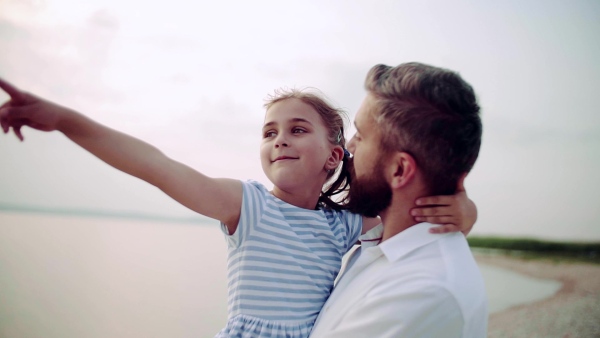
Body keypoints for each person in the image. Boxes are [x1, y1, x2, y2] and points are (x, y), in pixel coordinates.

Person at [0, 78, 477, 338]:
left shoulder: (343, 226)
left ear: (335, 156)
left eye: (297, 129)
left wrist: (464, 209)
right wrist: (63, 120)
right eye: (269, 132)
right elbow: (155, 166)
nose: (280, 140)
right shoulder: (246, 206)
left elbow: (412, 208)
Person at [310, 62, 488, 338]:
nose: (349, 147)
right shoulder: (382, 243)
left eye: (361, 134)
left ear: (400, 170)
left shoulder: (424, 292)